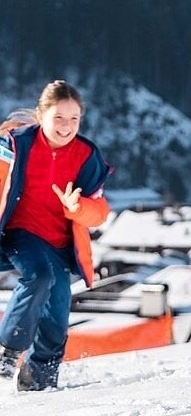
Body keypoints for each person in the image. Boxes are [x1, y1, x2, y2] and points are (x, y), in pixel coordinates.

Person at [0, 80, 112, 391]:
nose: (66, 126)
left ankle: (40, 378)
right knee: (39, 276)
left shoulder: (86, 154)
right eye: (58, 118)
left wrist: (78, 207)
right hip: (20, 233)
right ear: (41, 116)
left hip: (60, 244)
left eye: (74, 118)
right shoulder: (16, 145)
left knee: (57, 314)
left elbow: (100, 211)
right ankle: (8, 351)